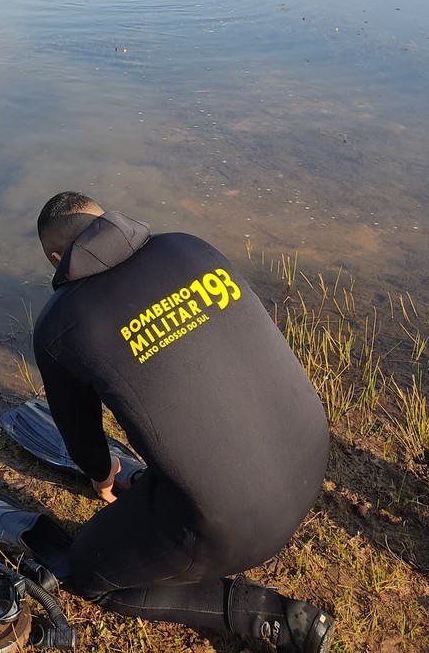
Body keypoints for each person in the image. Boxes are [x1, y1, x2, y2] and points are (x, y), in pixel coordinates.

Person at [32, 191, 335, 653]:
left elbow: (82, 435)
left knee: (88, 570)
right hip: (311, 459)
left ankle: (269, 617)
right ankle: (158, 488)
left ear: (57, 257)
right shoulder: (190, 247)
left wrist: (100, 473)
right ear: (106, 218)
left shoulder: (60, 321)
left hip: (235, 522)